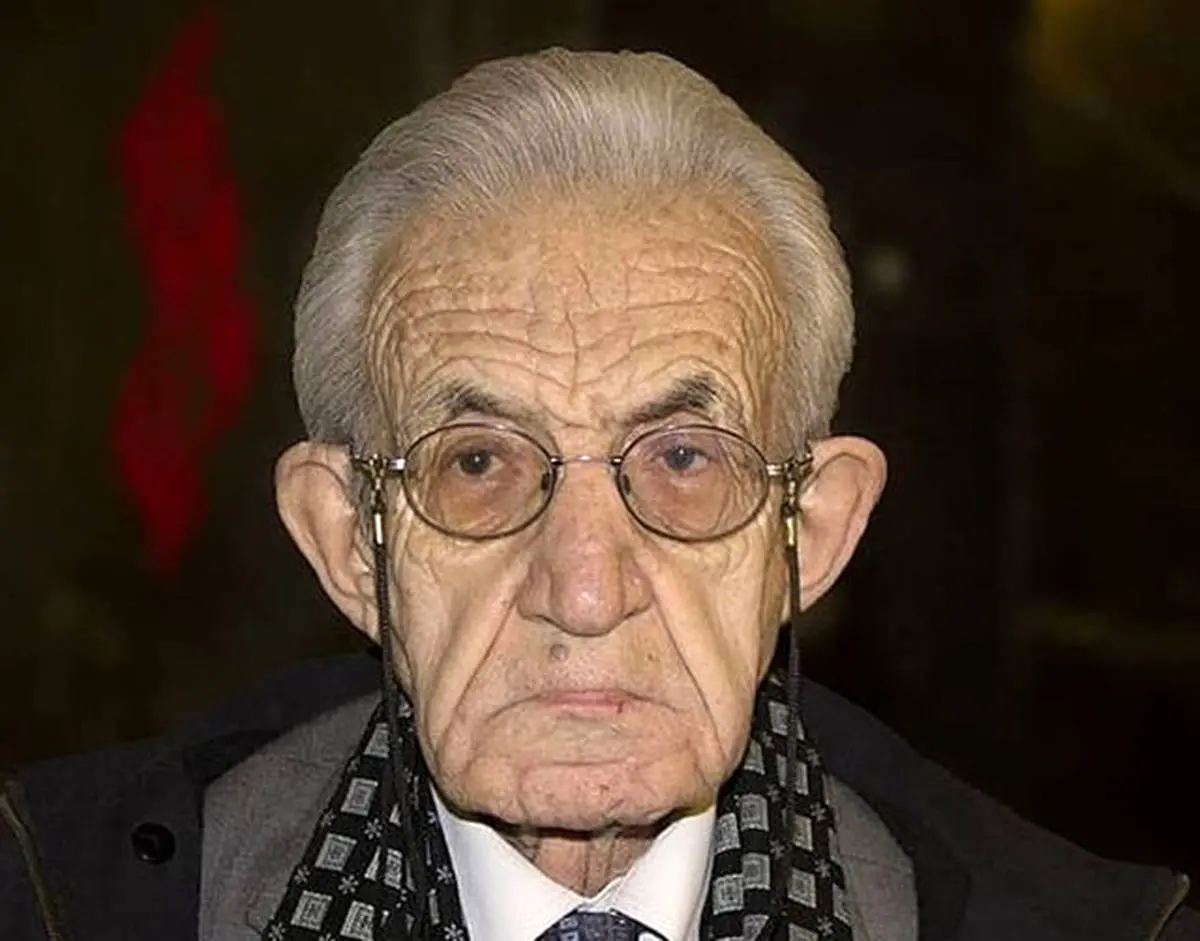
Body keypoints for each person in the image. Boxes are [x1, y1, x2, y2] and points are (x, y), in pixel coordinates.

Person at [2, 48, 1194, 941]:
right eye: (479, 462)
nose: (583, 590)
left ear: (813, 531)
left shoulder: (1086, 924)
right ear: (348, 540)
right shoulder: (58, 901)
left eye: (683, 459)